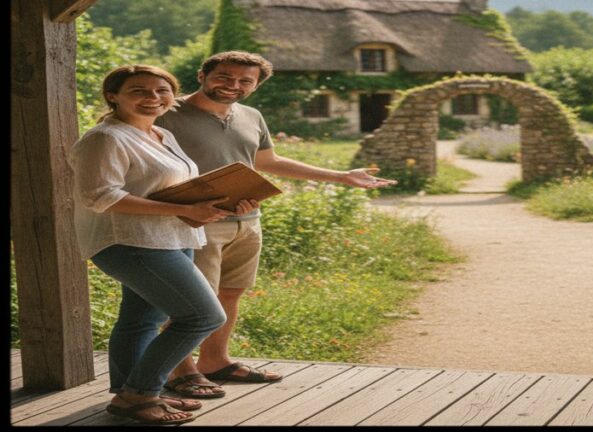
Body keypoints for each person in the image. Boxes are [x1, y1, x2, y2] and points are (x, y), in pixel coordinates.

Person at [157, 51, 396, 399]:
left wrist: (341, 176)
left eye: (245, 81)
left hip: (247, 219)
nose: (233, 85)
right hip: (193, 222)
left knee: (230, 292)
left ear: (255, 85)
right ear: (202, 75)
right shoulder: (167, 112)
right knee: (191, 303)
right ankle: (181, 370)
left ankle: (215, 361)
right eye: (224, 76)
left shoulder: (251, 116)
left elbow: (268, 161)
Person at [70, 65, 258, 425]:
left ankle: (134, 393)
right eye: (139, 91)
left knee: (142, 318)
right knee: (203, 316)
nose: (152, 98)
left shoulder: (158, 133)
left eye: (161, 91)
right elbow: (99, 196)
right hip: (130, 242)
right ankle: (139, 394)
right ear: (113, 96)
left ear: (172, 96)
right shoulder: (105, 138)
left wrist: (226, 201)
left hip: (171, 236)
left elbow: (172, 183)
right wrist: (185, 209)